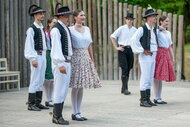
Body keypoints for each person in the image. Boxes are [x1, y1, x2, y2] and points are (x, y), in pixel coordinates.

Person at [69, 9, 101, 121]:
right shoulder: (70, 30)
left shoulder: (87, 29)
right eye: (81, 15)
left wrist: (92, 59)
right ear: (75, 17)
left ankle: (79, 111)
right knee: (76, 85)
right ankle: (74, 112)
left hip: (85, 56)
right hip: (76, 57)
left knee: (81, 85)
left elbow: (89, 45)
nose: (83, 17)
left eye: (84, 15)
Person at [130, 7, 158, 107]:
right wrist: (142, 50)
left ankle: (147, 98)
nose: (155, 17)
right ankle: (143, 100)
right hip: (146, 56)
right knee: (145, 77)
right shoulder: (142, 28)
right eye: (153, 16)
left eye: (155, 16)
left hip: (153, 54)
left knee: (150, 77)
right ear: (148, 18)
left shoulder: (153, 29)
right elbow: (133, 40)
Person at [50, 3, 73, 125]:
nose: (68, 18)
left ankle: (59, 115)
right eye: (66, 16)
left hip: (66, 62)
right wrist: (60, 64)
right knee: (59, 89)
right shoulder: (56, 29)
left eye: (68, 15)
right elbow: (56, 49)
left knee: (63, 90)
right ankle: (56, 116)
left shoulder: (65, 28)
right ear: (60, 16)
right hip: (61, 63)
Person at [24, 4, 49, 111]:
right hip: (36, 55)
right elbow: (29, 44)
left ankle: (38, 102)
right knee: (34, 79)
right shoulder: (31, 29)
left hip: (43, 55)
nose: (42, 15)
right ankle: (31, 103)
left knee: (40, 79)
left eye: (43, 13)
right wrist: (32, 58)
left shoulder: (42, 28)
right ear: (35, 15)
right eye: (40, 14)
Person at [110, 13, 137, 95]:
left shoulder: (135, 30)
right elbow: (112, 36)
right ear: (126, 20)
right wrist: (116, 47)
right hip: (122, 49)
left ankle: (123, 87)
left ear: (132, 20)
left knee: (129, 68)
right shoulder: (121, 28)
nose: (129, 21)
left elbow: (137, 40)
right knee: (124, 68)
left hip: (130, 49)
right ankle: (125, 88)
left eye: (130, 19)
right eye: (128, 19)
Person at [153, 16, 176, 104]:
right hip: (159, 53)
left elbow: (170, 46)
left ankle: (159, 97)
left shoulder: (168, 33)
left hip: (166, 54)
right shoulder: (157, 32)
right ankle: (156, 97)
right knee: (157, 76)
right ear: (161, 22)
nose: (167, 23)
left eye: (168, 21)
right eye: (166, 21)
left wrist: (172, 57)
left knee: (161, 76)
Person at [43, 18, 57, 107]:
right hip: (48, 53)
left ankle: (50, 99)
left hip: (54, 53)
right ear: (49, 24)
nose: (55, 24)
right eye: (53, 22)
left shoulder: (57, 32)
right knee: (47, 78)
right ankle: (47, 98)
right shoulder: (45, 33)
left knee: (52, 80)